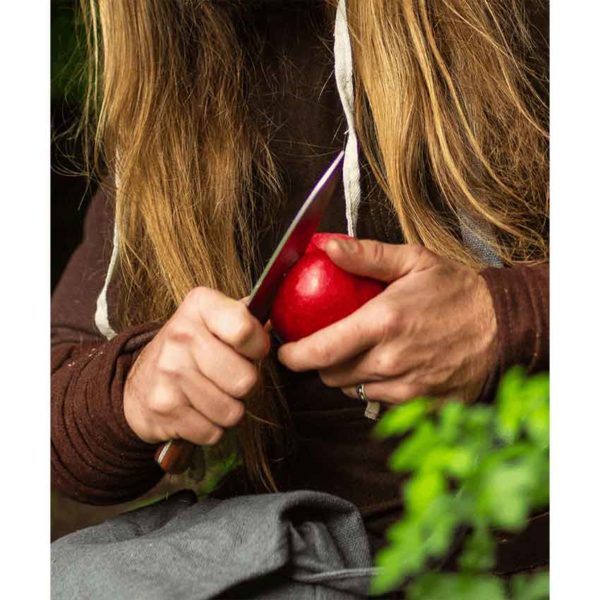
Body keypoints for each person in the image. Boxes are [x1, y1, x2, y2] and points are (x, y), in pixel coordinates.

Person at [52, 0, 548, 577]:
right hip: (293, 540)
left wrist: (509, 316)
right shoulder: (176, 89)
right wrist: (136, 390)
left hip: (520, 529)